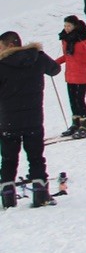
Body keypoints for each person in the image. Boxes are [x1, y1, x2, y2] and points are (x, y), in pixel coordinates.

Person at [0, 30, 62, 209]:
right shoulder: (37, 57)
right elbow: (55, 69)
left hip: (8, 120)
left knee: (9, 159)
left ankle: (8, 197)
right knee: (36, 157)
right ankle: (40, 194)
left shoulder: (2, 65)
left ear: (10, 45)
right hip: (33, 119)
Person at [54, 16, 86, 138]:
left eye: (69, 26)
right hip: (70, 74)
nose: (66, 28)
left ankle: (85, 124)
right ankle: (76, 123)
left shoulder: (82, 37)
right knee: (72, 100)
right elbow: (67, 56)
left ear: (75, 26)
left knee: (80, 99)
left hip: (82, 74)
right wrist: (54, 63)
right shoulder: (65, 39)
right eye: (65, 26)